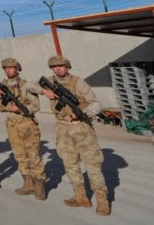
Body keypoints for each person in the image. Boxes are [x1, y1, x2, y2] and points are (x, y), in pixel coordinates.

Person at [38, 55, 110, 216]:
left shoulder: (78, 83)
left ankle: (102, 201)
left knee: (92, 165)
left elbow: (95, 104)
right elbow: (30, 86)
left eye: (61, 66)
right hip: (62, 128)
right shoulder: (50, 82)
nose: (58, 69)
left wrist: (82, 113)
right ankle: (81, 197)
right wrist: (44, 91)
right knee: (70, 164)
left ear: (67, 66)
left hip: (81, 128)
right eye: (54, 67)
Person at [0, 57, 45, 200]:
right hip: (12, 125)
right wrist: (10, 107)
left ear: (17, 69)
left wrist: (21, 109)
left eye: (11, 67)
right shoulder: (2, 86)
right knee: (20, 155)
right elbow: (0, 106)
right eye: (6, 68)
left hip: (27, 123)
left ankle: (39, 188)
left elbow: (36, 106)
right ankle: (28, 184)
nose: (8, 70)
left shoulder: (26, 85)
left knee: (33, 155)